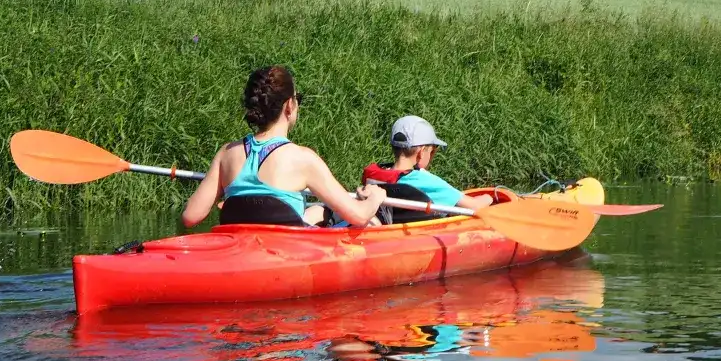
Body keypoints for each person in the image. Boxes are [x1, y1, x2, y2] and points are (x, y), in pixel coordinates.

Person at [181, 65, 387, 228]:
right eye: (298, 99)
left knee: (316, 212)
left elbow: (190, 216)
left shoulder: (227, 154)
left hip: (241, 253)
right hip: (285, 256)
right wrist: (375, 198)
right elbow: (359, 216)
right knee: (371, 223)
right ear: (289, 105)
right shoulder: (302, 159)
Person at [360, 115, 492, 223]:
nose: (432, 155)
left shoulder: (374, 175)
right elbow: (475, 206)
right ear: (422, 152)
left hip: (385, 228)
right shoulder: (426, 181)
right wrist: (489, 197)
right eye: (432, 151)